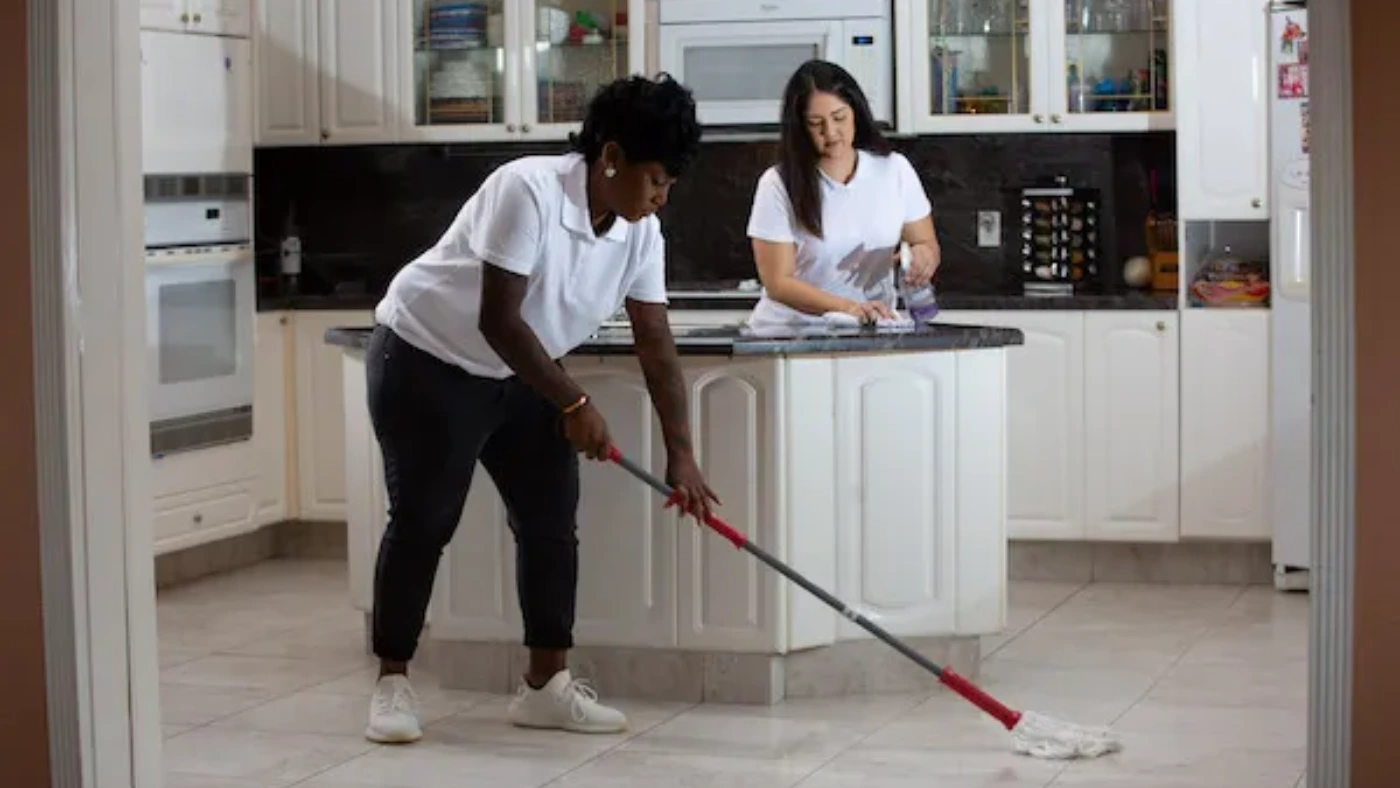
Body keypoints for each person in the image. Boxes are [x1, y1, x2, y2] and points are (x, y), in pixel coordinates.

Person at [362, 74, 718, 744]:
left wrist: (683, 454)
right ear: (610, 157)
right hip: (425, 358)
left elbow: (655, 341)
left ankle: (546, 687)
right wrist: (574, 400)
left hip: (519, 370)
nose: (661, 196)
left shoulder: (641, 234)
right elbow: (500, 318)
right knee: (424, 520)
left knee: (551, 521)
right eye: (654, 180)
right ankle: (391, 682)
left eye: (671, 184)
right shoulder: (526, 189)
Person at [745, 60, 941, 330]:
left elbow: (925, 243)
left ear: (856, 113)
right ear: (800, 128)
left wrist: (923, 257)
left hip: (872, 329)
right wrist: (849, 308)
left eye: (839, 118)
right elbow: (778, 283)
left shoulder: (894, 169)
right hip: (789, 333)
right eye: (816, 124)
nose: (831, 132)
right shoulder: (778, 184)